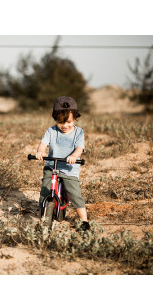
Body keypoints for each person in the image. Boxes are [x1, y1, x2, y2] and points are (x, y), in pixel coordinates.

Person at [35, 96, 90, 231]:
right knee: (44, 191)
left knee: (75, 194)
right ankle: (42, 216)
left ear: (75, 118)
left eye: (68, 122)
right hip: (52, 165)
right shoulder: (51, 131)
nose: (64, 126)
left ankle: (84, 221)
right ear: (55, 119)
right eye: (60, 122)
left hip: (69, 168)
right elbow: (43, 143)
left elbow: (79, 148)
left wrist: (74, 156)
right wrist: (40, 152)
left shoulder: (78, 132)